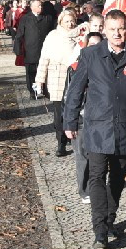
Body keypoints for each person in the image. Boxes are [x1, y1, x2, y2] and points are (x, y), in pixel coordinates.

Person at [63, 10, 126, 248]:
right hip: (97, 128)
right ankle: (100, 228)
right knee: (97, 177)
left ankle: (111, 218)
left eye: (121, 28)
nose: (117, 33)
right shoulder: (90, 55)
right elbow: (76, 90)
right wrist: (69, 121)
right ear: (104, 30)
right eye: (112, 29)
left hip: (125, 128)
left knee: (119, 177)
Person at [35, 8, 82, 157]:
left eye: (72, 21)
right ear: (61, 22)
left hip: (74, 77)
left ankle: (73, 138)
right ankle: (60, 143)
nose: (70, 24)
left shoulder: (80, 36)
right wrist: (40, 80)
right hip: (56, 77)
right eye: (67, 21)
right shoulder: (53, 36)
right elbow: (44, 58)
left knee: (73, 109)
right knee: (58, 113)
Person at [70, 31, 106, 204]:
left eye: (99, 45)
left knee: (98, 155)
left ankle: (97, 186)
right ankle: (84, 190)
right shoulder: (75, 67)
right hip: (82, 119)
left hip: (101, 119)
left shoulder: (108, 67)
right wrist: (70, 121)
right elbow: (69, 96)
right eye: (92, 45)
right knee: (82, 155)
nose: (96, 49)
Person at [16, 0, 56, 97]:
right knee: (31, 72)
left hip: (44, 50)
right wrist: (18, 51)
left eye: (41, 6)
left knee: (45, 71)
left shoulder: (47, 18)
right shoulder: (25, 18)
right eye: (38, 6)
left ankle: (45, 90)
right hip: (30, 51)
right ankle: (32, 91)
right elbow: (19, 35)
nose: (40, 8)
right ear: (32, 7)